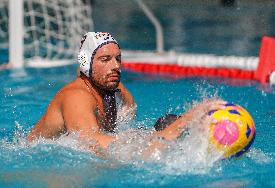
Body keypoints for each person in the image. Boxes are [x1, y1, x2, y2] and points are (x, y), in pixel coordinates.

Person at [27, 32, 226, 155]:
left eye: (118, 59)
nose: (115, 67)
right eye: (105, 59)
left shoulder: (110, 86)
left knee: (166, 123)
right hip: (38, 161)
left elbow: (130, 109)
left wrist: (168, 129)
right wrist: (170, 133)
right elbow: (94, 145)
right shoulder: (76, 98)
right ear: (87, 65)